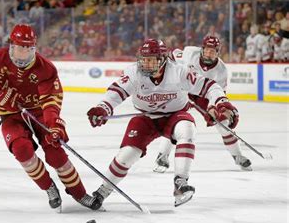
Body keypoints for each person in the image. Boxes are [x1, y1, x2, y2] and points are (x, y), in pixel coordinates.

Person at [87, 38, 238, 207]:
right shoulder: (133, 72)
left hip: (175, 114)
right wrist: (103, 108)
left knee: (187, 130)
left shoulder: (178, 72)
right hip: (146, 118)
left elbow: (210, 86)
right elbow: (116, 92)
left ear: (163, 60)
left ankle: (180, 183)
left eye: (151, 60)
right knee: (127, 155)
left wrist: (221, 102)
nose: (145, 64)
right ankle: (102, 192)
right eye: (144, 59)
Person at [0, 23, 101, 211]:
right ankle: (48, 187)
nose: (23, 55)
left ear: (34, 48)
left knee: (56, 153)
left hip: (39, 111)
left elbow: (51, 101)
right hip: (9, 114)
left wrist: (54, 125)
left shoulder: (46, 68)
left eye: (28, 49)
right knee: (21, 150)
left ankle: (79, 193)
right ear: (11, 45)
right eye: (19, 48)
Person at [153, 36, 252, 173]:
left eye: (213, 51)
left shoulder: (221, 70)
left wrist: (212, 108)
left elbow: (216, 93)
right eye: (207, 50)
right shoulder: (189, 53)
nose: (209, 53)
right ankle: (162, 156)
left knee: (222, 121)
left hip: (203, 93)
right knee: (175, 120)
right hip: (183, 88)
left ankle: (238, 156)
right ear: (202, 49)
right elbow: (171, 57)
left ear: (218, 52)